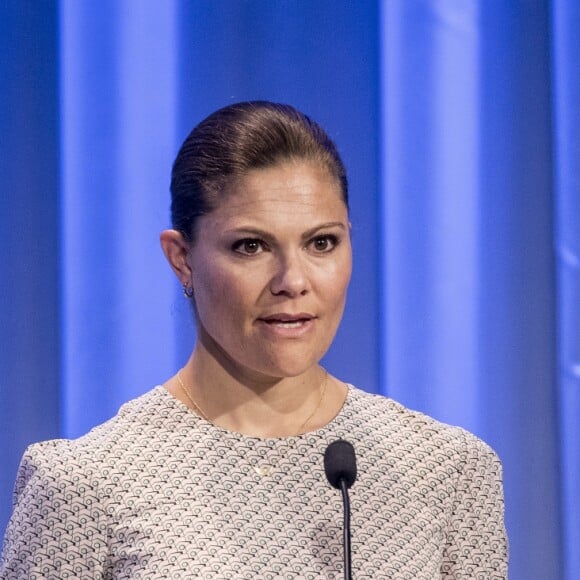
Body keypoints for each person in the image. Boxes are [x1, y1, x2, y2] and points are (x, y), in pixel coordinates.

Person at [0, 101, 508, 579]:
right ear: (182, 258)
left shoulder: (448, 471)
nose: (293, 279)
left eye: (321, 242)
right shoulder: (82, 484)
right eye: (251, 246)